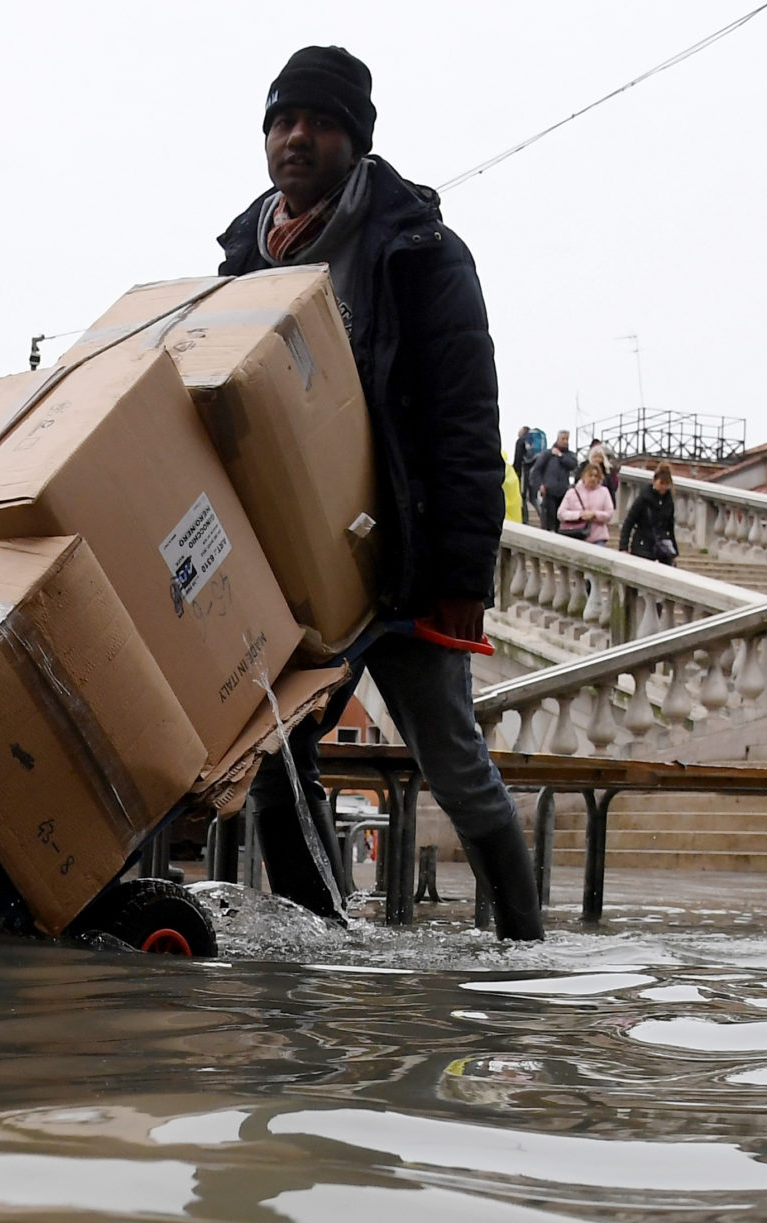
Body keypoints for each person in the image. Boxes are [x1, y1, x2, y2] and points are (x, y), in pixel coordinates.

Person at [221, 43, 541, 940]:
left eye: (318, 123)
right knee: (276, 752)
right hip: (297, 563)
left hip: (402, 556)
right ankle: (321, 942)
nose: (297, 138)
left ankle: (521, 940)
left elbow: (467, 420)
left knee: (451, 754)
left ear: (353, 140)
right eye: (283, 121)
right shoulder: (242, 261)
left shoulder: (420, 252)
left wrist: (464, 574)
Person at [622, 462, 679, 562]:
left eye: (666, 484)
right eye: (661, 483)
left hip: (662, 544)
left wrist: (673, 549)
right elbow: (629, 522)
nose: (664, 487)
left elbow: (670, 527)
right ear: (654, 481)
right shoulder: (643, 498)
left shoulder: (669, 501)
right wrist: (623, 546)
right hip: (642, 543)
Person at [529, 429, 576, 534]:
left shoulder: (569, 455)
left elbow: (572, 465)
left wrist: (560, 456)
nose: (565, 441)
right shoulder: (547, 454)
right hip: (549, 491)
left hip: (563, 492)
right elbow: (536, 470)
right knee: (548, 520)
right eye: (563, 439)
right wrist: (539, 485)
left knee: (559, 520)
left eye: (567, 439)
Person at [556, 459, 613, 544]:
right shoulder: (572, 492)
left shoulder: (604, 492)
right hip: (576, 536)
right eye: (590, 475)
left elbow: (609, 513)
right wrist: (579, 515)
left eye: (596, 476)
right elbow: (561, 514)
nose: (593, 478)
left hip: (598, 537)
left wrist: (594, 514)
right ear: (583, 476)